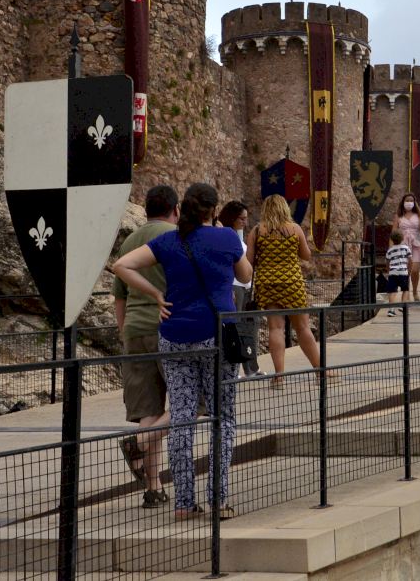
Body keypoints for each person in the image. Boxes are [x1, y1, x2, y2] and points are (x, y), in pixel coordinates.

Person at [112, 183, 250, 519]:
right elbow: (246, 275)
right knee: (222, 418)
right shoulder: (227, 238)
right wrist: (225, 234)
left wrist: (157, 295)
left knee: (182, 417)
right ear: (213, 210)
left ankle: (184, 504)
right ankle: (218, 500)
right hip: (215, 336)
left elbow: (122, 266)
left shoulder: (169, 241)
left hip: (174, 336)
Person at [112, 185, 177, 507]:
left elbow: (119, 296)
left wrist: (125, 331)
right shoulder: (175, 237)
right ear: (175, 210)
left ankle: (153, 488)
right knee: (188, 402)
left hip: (135, 329)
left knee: (149, 410)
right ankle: (137, 445)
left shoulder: (130, 241)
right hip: (167, 326)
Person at [247, 194, 327, 378]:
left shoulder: (257, 231)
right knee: (303, 328)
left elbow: (249, 260)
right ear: (285, 208)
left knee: (275, 328)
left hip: (268, 282)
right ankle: (320, 371)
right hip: (292, 282)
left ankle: (279, 375)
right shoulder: (294, 228)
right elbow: (306, 255)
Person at [218, 200, 260, 377]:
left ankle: (251, 368)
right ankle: (234, 368)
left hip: (247, 285)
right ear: (232, 218)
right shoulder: (225, 234)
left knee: (249, 328)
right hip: (235, 285)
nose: (245, 222)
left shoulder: (239, 235)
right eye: (241, 218)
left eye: (245, 218)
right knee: (234, 328)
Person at [391, 192, 420, 301]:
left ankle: (415, 291)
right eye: (407, 200)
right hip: (402, 245)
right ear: (403, 202)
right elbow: (393, 232)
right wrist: (391, 248)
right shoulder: (398, 215)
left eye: (411, 200)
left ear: (414, 202)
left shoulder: (419, 215)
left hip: (416, 244)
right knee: (405, 271)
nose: (409, 202)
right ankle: (406, 292)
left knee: (415, 270)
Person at [385, 230, 411, 314]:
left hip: (393, 273)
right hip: (403, 272)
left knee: (392, 291)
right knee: (405, 290)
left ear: (392, 239)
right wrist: (409, 270)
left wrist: (388, 271)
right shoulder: (406, 248)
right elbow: (410, 260)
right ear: (402, 238)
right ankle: (403, 306)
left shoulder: (390, 250)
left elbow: (387, 262)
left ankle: (391, 309)